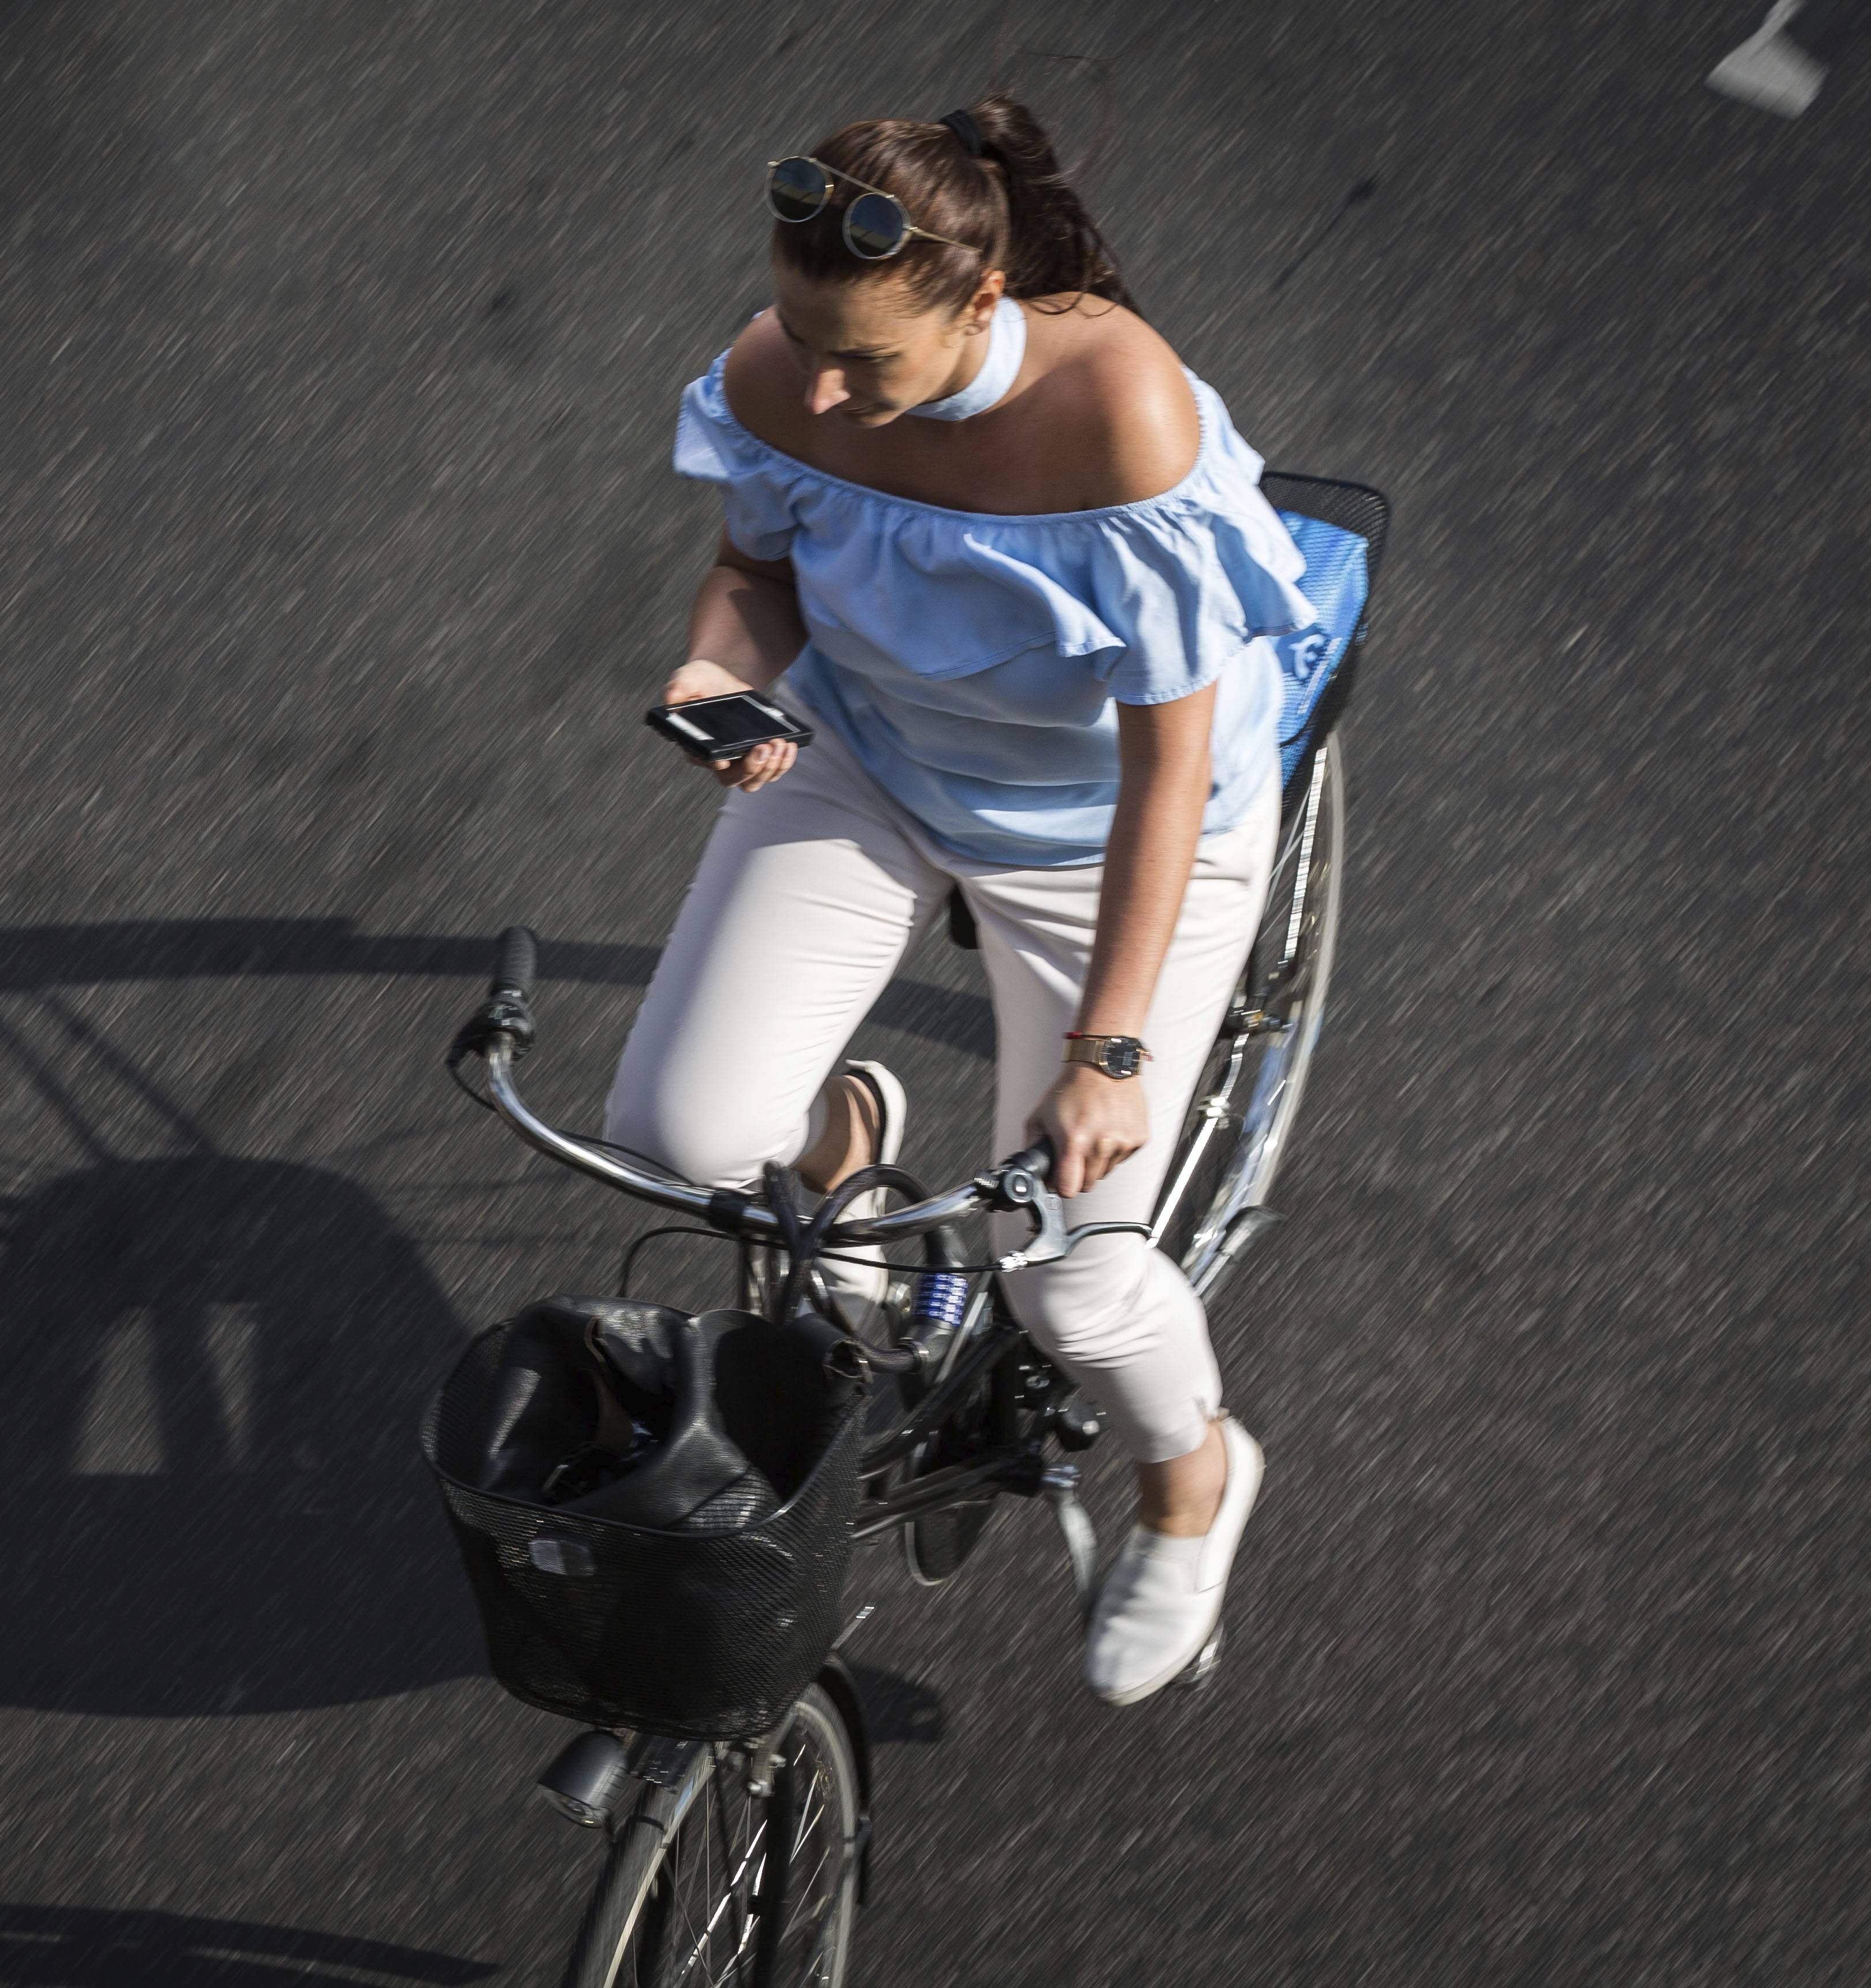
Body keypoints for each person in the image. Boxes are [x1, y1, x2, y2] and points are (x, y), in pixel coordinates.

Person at [602, 93, 1326, 1705]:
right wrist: (717, 672)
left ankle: (1193, 1474)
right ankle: (840, 1145)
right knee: (683, 1131)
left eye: (870, 361)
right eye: (805, 341)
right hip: (873, 757)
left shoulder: (1120, 414)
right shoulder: (777, 370)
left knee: (1064, 1264)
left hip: (1106, 837)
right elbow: (759, 576)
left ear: (983, 303)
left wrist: (1113, 1052)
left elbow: (1166, 766)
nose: (827, 392)